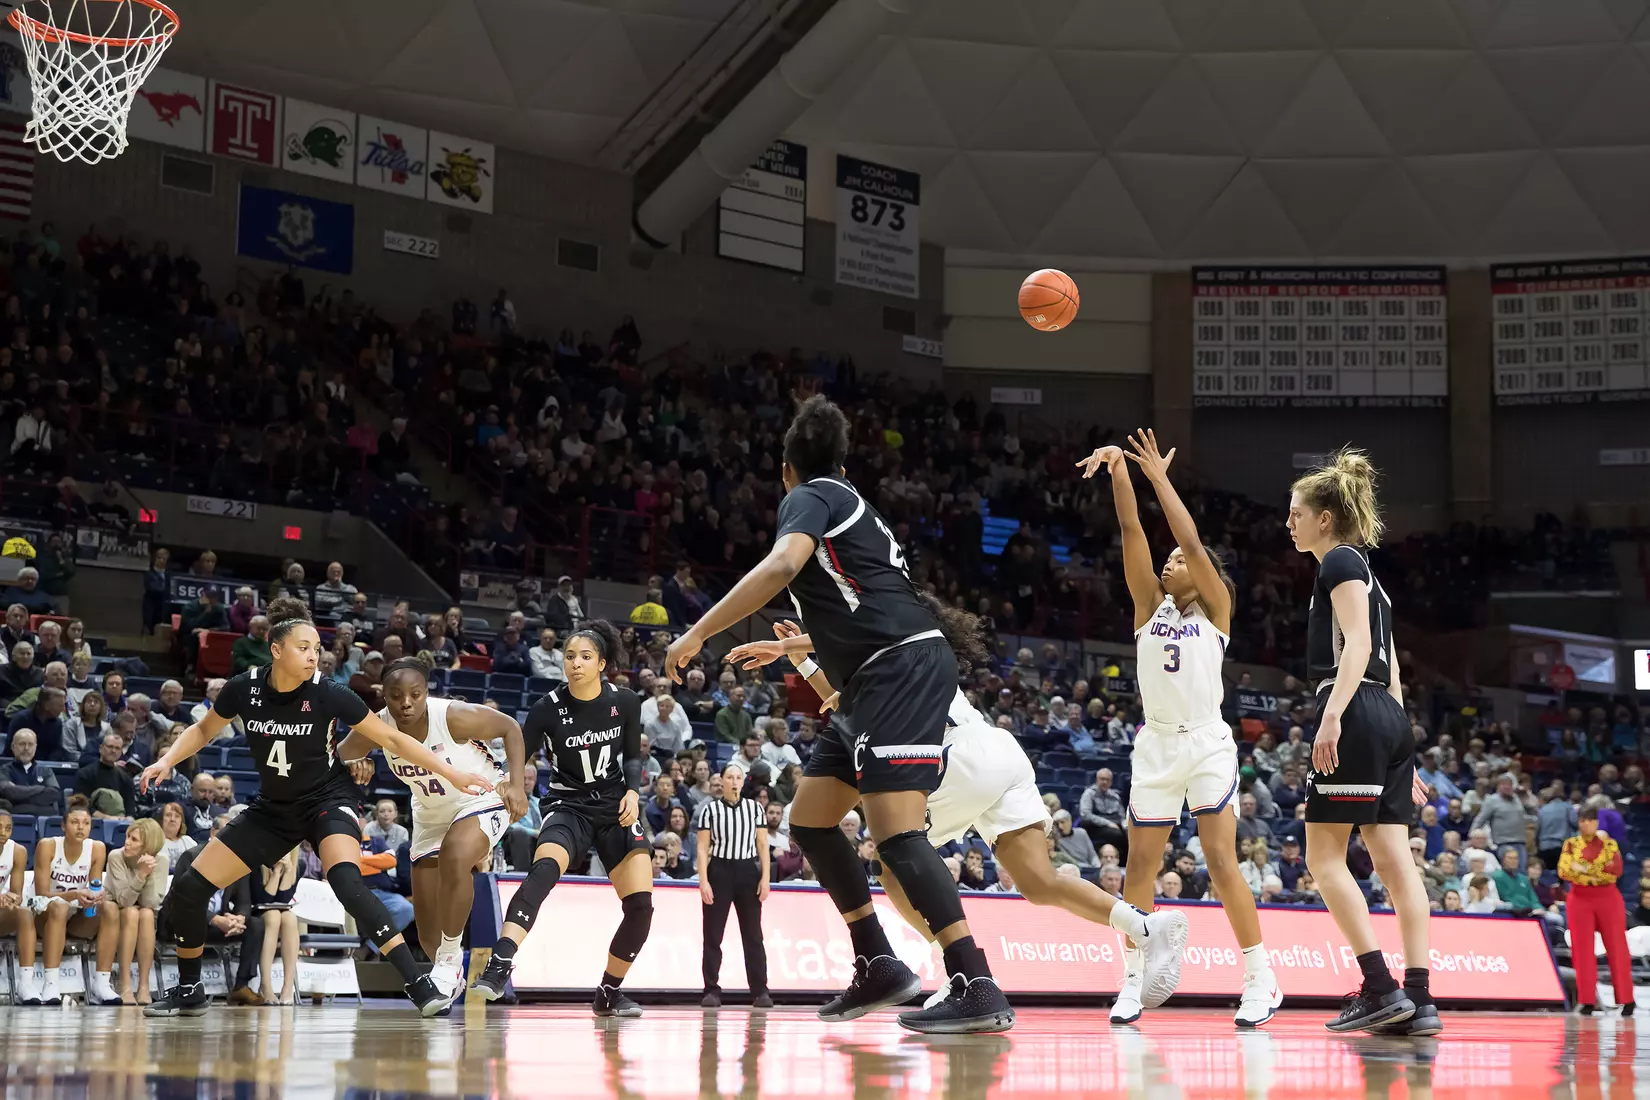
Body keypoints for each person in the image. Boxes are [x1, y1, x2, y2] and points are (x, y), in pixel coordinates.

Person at [665, 398, 1021, 1034]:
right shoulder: (851, 505)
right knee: (810, 820)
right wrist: (793, 646)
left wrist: (698, 632)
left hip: (899, 670)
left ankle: (976, 981)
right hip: (875, 676)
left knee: (897, 834)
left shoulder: (813, 495)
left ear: (785, 471)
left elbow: (780, 567)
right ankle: (877, 961)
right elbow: (858, 602)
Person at [731, 621, 1189, 1010]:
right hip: (999, 752)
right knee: (1040, 881)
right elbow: (843, 701)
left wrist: (790, 647)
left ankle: (956, 971)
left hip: (956, 753)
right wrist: (803, 663)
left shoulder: (889, 652)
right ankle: (1147, 926)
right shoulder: (906, 664)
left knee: (893, 859)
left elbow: (849, 641)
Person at [136, 597, 495, 1018]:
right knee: (190, 886)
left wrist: (452, 774)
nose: (313, 655)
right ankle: (191, 988)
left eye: (315, 648)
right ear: (277, 650)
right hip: (273, 810)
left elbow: (394, 740)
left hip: (329, 799)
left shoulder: (329, 694)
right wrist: (166, 760)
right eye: (303, 648)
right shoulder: (243, 690)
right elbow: (203, 729)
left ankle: (418, 983)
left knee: (346, 880)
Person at [1075, 431, 1280, 1027]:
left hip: (1208, 742)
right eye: (1170, 559)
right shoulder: (1148, 607)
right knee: (1140, 868)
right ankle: (1134, 980)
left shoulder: (1218, 610)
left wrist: (1160, 478)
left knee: (1221, 861)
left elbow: (1187, 535)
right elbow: (1133, 532)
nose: (1172, 558)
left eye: (1183, 560)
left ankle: (1259, 979)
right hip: (1158, 743)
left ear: (1206, 574)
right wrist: (1119, 471)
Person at [1288, 449, 1436, 1035]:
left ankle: (1378, 986)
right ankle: (1419, 999)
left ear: (1325, 517)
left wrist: (1332, 718)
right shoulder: (1377, 581)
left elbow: (1355, 649)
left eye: (1297, 513)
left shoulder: (1338, 562)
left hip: (1353, 706)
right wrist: (1403, 748)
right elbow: (1391, 665)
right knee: (1395, 863)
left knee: (1322, 857)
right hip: (1389, 717)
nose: (1290, 523)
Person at [472, 620, 654, 1018]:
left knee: (641, 907)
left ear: (602, 663)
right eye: (570, 656)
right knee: (543, 872)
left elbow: (633, 755)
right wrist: (511, 784)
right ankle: (500, 964)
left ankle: (609, 991)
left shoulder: (625, 702)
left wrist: (633, 792)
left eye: (585, 657)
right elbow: (520, 756)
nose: (575, 664)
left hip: (614, 807)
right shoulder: (546, 709)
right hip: (568, 806)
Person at [340, 656, 528, 1010]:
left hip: (481, 796)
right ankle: (450, 970)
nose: (406, 703)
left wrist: (517, 785)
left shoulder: (451, 715)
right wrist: (353, 762)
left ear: (427, 693)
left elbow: (510, 728)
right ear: (385, 696)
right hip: (429, 813)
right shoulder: (378, 724)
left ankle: (448, 963)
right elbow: (341, 754)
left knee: (456, 856)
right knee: (429, 933)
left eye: (415, 694)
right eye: (396, 696)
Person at [19, 798, 114, 1005]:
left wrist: (96, 896)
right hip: (41, 913)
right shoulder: (48, 846)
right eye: (74, 822)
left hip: (74, 915)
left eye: (86, 823)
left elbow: (94, 885)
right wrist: (75, 894)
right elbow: (42, 892)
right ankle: (51, 983)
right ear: (63, 826)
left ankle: (102, 983)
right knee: (60, 907)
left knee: (110, 908)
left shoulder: (97, 848)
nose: (81, 827)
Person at [696, 761, 772, 1008]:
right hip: (719, 871)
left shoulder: (755, 809)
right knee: (713, 935)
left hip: (747, 871)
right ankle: (711, 990)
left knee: (753, 936)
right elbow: (702, 847)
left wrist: (766, 878)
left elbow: (762, 845)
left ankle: (760, 991)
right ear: (722, 781)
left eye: (739, 777)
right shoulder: (710, 810)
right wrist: (704, 880)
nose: (735, 781)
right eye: (730, 777)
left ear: (743, 781)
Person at [1560, 805, 1634, 1016]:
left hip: (1607, 897)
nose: (1586, 823)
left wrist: (1583, 869)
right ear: (1578, 822)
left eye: (1590, 819)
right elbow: (1565, 871)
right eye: (1583, 819)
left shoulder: (1610, 844)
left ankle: (1627, 999)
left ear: (1596, 823)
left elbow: (1614, 872)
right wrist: (1596, 871)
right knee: (1582, 950)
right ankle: (1586, 1000)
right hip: (1580, 898)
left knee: (1617, 948)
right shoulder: (1570, 844)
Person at [100, 816, 169, 1005]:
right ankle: (125, 985)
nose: (126, 843)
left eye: (134, 839)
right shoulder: (116, 856)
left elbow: (150, 902)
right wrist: (140, 875)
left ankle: (144, 986)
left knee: (146, 914)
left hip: (142, 912)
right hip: (114, 911)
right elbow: (124, 900)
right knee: (132, 912)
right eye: (128, 837)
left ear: (148, 846)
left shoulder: (161, 861)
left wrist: (149, 872)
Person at [251, 848, 302, 1005]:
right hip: (254, 911)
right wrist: (277, 871)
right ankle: (265, 985)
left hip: (279, 912)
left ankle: (287, 986)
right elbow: (263, 898)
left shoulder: (299, 865)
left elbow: (283, 899)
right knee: (273, 916)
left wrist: (287, 870)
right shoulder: (255, 862)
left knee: (290, 918)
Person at [0, 809, 40, 1002]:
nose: (3, 833)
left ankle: (26, 983)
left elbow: (16, 892)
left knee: (24, 913)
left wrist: (11, 899)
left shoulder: (17, 851)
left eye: (8, 828)